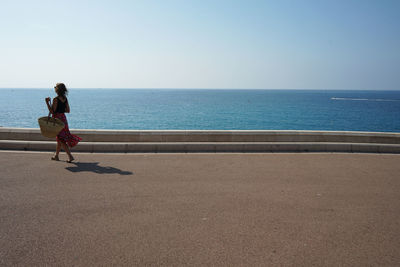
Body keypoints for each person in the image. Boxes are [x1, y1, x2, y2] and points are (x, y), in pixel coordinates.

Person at [45, 83, 81, 163]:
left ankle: (70, 156)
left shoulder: (55, 99)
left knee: (61, 139)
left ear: (57, 90)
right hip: (63, 119)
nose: (54, 88)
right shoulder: (65, 99)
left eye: (55, 87)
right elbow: (68, 110)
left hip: (57, 120)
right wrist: (61, 111)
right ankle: (56, 156)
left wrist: (47, 102)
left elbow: (52, 111)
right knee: (60, 138)